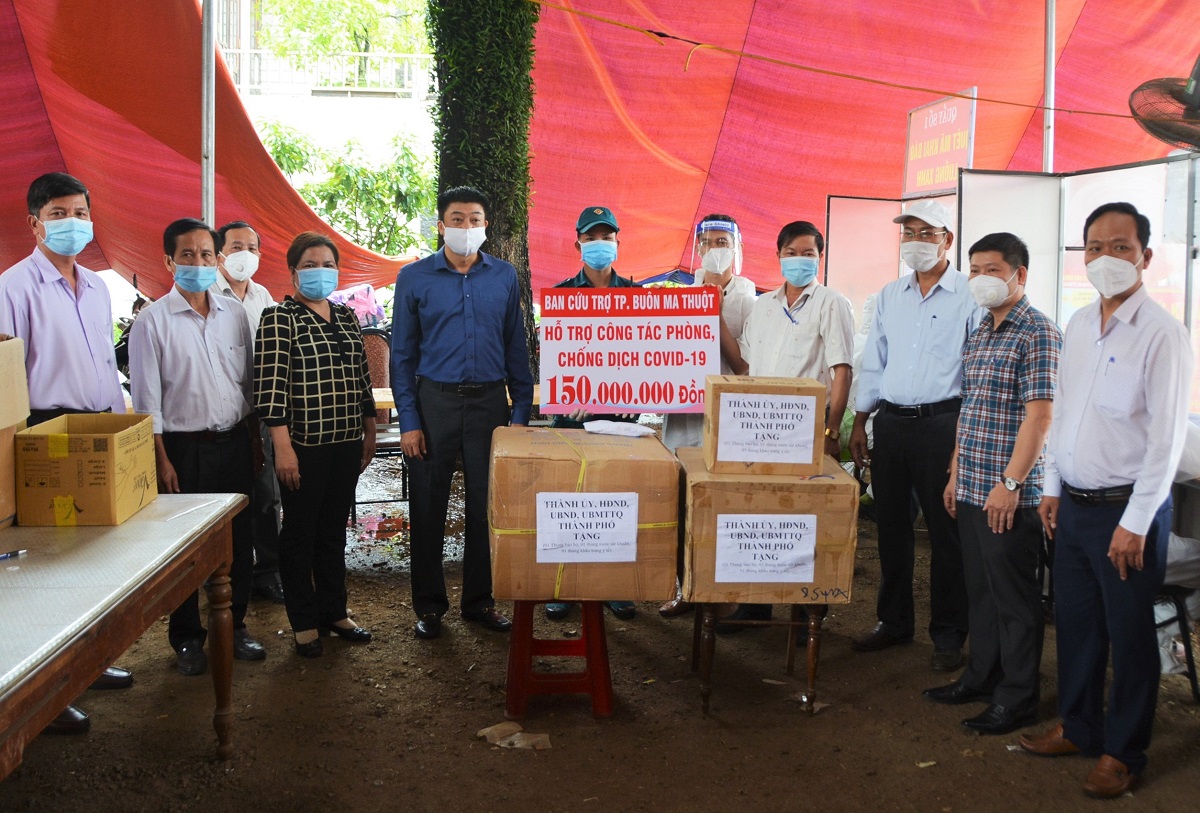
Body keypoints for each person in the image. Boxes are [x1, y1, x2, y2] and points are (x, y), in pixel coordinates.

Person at [1019, 203, 1192, 799]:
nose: (1106, 258)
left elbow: (1166, 441)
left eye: (1120, 247)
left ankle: (1124, 751)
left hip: (1128, 514)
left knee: (1129, 634)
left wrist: (1138, 522)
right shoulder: (1078, 325)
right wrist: (1049, 487)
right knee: (1076, 623)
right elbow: (1062, 413)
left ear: (1145, 256)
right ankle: (1079, 724)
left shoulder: (1163, 333)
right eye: (1094, 247)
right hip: (1075, 507)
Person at [0, 172, 133, 734]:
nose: (72, 222)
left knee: (95, 557)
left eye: (80, 211)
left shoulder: (99, 286)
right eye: (58, 213)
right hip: (43, 434)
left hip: (97, 425)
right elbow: (6, 377)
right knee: (50, 563)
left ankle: (91, 663)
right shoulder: (13, 286)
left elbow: (104, 360)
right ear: (34, 222)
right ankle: (48, 690)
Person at [926, 232, 1061, 735]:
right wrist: (957, 470)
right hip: (973, 483)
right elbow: (972, 407)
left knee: (1014, 599)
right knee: (980, 590)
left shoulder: (1037, 332)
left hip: (1010, 493)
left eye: (991, 269)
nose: (981, 279)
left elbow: (1041, 418)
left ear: (1019, 275)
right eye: (975, 269)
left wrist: (1010, 483)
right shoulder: (982, 328)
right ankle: (981, 676)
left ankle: (1018, 696)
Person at [390, 186, 534, 641]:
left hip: (491, 402)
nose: (466, 227)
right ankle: (430, 606)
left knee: (486, 504)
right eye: (457, 218)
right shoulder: (414, 278)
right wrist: (409, 421)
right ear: (440, 225)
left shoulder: (505, 277)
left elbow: (517, 345)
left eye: (475, 219)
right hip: (435, 402)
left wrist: (520, 413)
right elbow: (402, 357)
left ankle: (479, 601)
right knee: (428, 503)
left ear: (486, 226)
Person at [129, 218, 266, 674]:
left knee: (238, 540)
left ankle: (237, 625)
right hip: (184, 451)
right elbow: (147, 402)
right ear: (169, 261)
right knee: (185, 549)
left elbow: (248, 383)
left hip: (235, 442)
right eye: (188, 255)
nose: (199, 262)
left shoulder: (235, 316)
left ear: (218, 260)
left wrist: (255, 441)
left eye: (207, 254)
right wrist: (160, 458)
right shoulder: (152, 322)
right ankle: (187, 637)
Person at [849, 198, 980, 672]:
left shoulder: (969, 295)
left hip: (944, 423)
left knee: (946, 534)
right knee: (891, 529)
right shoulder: (889, 295)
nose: (917, 242)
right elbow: (874, 363)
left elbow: (978, 371)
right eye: (910, 233)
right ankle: (893, 621)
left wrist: (965, 439)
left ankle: (948, 634)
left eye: (929, 233)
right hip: (892, 423)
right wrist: (862, 420)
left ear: (949, 240)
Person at [716, 220, 855, 632]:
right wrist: (710, 314)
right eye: (792, 253)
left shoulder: (832, 303)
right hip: (758, 430)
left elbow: (842, 372)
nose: (800, 260)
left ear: (820, 258)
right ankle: (757, 605)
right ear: (778, 256)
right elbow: (743, 366)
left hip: (806, 431)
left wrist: (831, 432)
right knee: (761, 512)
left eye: (808, 253)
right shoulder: (763, 306)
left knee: (804, 515)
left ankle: (807, 605)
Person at [255, 232, 376, 657]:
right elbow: (270, 390)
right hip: (302, 447)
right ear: (292, 272)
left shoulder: (345, 318)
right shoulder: (279, 319)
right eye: (310, 264)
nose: (319, 272)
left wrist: (370, 430)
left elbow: (362, 381)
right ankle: (303, 620)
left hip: (346, 443)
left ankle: (334, 612)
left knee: (332, 532)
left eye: (327, 264)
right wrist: (282, 448)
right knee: (300, 533)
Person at [543, 205, 640, 622]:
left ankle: (615, 587)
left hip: (619, 420)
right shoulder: (562, 294)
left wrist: (633, 396)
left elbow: (649, 359)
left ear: (618, 242)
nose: (600, 244)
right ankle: (565, 586)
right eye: (592, 237)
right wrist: (568, 395)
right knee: (570, 500)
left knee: (616, 499)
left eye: (607, 237)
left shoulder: (637, 298)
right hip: (572, 419)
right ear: (578, 242)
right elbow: (553, 358)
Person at [659, 213, 757, 618]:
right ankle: (685, 587)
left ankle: (724, 590)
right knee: (680, 501)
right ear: (697, 249)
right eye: (708, 242)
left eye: (723, 242)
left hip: (726, 419)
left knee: (721, 503)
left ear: (737, 250)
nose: (715, 249)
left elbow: (745, 366)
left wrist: (712, 313)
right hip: (681, 416)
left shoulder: (752, 300)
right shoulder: (677, 294)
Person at [211, 220, 285, 606]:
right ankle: (222, 573)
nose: (245, 254)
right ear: (220, 253)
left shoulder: (264, 297)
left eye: (252, 247)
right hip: (220, 414)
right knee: (224, 497)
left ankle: (268, 572)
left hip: (261, 413)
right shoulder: (206, 294)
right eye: (236, 246)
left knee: (266, 493)